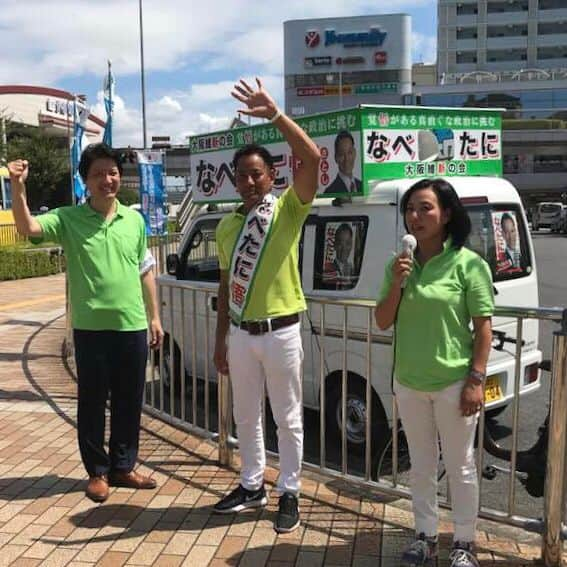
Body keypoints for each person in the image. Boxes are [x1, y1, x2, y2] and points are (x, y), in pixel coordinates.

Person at [8, 144, 164, 503]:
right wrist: (18, 187)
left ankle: (123, 467)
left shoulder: (135, 221)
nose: (107, 180)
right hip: (91, 329)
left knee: (129, 400)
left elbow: (145, 269)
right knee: (92, 400)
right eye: (98, 174)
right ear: (85, 181)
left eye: (112, 173)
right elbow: (27, 226)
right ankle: (97, 471)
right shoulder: (68, 219)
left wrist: (154, 316)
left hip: (132, 326)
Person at [213, 78, 320, 534]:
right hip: (241, 333)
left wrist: (276, 115)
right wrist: (220, 339)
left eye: (257, 174)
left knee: (287, 415)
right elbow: (224, 287)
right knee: (246, 414)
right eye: (242, 176)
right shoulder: (225, 227)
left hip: (281, 332)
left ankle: (289, 490)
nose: (250, 182)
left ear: (272, 175)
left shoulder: (287, 211)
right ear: (234, 181)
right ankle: (252, 483)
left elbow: (313, 159)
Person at [375, 178, 494, 567]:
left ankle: (463, 543)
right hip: (409, 382)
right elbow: (382, 320)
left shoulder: (468, 264)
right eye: (410, 208)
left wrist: (476, 380)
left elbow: (483, 330)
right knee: (421, 465)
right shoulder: (399, 265)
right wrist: (397, 282)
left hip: (454, 383)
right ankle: (424, 536)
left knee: (459, 467)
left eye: (425, 207)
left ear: (446, 214)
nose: (415, 216)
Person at [323, 223, 356, 289]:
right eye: (340, 243)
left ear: (352, 245)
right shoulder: (328, 269)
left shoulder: (353, 269)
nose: (344, 249)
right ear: (335, 245)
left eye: (348, 243)